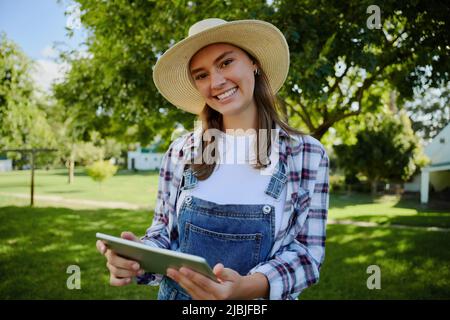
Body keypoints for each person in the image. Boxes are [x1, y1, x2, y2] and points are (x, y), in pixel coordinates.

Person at [96, 18, 329, 300]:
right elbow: (164, 235)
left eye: (226, 63)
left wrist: (249, 287)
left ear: (254, 63)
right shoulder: (181, 152)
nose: (216, 82)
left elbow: (307, 254)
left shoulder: (306, 155)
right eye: (201, 75)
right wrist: (136, 259)